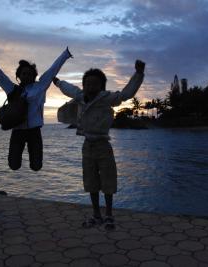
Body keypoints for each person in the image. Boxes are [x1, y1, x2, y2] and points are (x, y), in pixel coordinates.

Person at [54, 59, 145, 230]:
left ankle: (109, 215)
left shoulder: (106, 98)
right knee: (91, 181)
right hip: (87, 146)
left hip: (103, 145)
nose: (90, 87)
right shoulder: (80, 97)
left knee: (108, 180)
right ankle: (96, 215)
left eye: (95, 84)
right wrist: (58, 82)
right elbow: (69, 89)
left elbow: (126, 94)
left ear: (101, 86)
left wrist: (138, 74)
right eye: (87, 83)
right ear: (84, 85)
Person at [0, 47, 72, 171]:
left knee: (36, 166)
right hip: (17, 131)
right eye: (24, 74)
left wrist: (65, 54)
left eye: (30, 74)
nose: (27, 76)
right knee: (14, 165)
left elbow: (53, 70)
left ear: (34, 75)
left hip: (34, 132)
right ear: (18, 76)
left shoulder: (40, 87)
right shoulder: (12, 89)